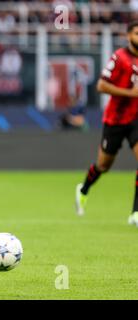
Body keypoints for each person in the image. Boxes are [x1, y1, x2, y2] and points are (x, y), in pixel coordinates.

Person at [75, 21, 138, 227]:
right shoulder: (119, 58)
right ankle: (84, 189)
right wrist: (130, 93)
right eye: (137, 33)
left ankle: (135, 213)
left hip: (136, 119)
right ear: (128, 35)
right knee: (103, 165)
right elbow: (101, 85)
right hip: (115, 120)